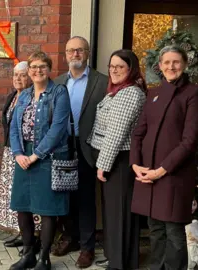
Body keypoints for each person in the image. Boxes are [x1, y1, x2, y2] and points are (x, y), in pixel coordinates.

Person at [131, 45, 198, 270]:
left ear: (184, 64)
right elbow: (138, 132)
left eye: (176, 62)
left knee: (174, 232)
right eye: (166, 62)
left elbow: (189, 141)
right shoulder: (153, 93)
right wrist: (136, 165)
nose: (171, 66)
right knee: (155, 229)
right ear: (160, 65)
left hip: (174, 174)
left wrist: (162, 170)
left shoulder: (193, 93)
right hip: (147, 173)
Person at [8, 52, 70, 270]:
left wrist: (36, 155)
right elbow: (14, 127)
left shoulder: (59, 93)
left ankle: (44, 258)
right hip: (23, 156)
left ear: (49, 69)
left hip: (47, 158)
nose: (37, 70)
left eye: (42, 66)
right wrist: (18, 154)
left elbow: (58, 129)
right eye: (33, 67)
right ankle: (28, 254)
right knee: (22, 207)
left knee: (47, 210)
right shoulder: (24, 96)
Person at [88, 49, 147, 270]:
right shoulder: (117, 90)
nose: (113, 70)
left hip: (119, 161)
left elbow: (116, 132)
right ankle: (115, 256)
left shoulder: (130, 93)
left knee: (120, 213)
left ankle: (120, 263)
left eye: (119, 66)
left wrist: (103, 164)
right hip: (112, 159)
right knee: (112, 212)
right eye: (111, 66)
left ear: (130, 69)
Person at [53, 36, 108, 268]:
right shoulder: (57, 82)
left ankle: (87, 248)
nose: (75, 54)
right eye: (71, 51)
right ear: (65, 54)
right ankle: (70, 237)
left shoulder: (102, 82)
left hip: (87, 146)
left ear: (87, 53)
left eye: (80, 50)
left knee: (86, 198)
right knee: (65, 196)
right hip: (63, 146)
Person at [0, 61, 40, 252]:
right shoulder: (13, 96)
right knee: (15, 196)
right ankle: (22, 234)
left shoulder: (33, 98)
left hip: (27, 154)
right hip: (11, 152)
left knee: (29, 195)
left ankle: (35, 238)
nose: (18, 79)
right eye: (15, 75)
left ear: (30, 76)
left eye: (22, 75)